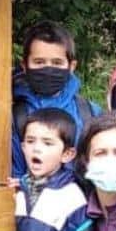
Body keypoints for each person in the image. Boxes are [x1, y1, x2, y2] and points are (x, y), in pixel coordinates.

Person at [10, 19, 98, 182]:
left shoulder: (90, 113)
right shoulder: (14, 117)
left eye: (57, 63)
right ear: (24, 65)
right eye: (39, 62)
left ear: (71, 66)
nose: (48, 68)